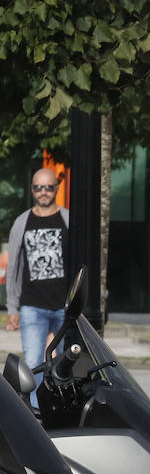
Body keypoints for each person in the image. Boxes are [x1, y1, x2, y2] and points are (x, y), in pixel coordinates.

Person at [5, 168, 71, 397]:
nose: (43, 192)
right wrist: (12, 308)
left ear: (57, 188)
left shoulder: (68, 219)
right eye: (38, 188)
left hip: (64, 306)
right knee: (34, 363)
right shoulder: (22, 222)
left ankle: (60, 409)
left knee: (64, 363)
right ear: (32, 190)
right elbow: (13, 267)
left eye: (48, 187)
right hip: (32, 306)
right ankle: (36, 416)